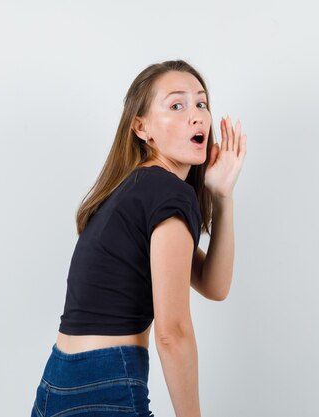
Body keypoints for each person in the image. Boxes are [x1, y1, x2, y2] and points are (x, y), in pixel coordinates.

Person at [30, 59, 247, 417]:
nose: (196, 116)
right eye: (176, 105)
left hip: (57, 382)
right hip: (105, 381)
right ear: (141, 127)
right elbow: (172, 333)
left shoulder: (134, 190)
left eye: (201, 103)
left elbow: (215, 285)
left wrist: (222, 198)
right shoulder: (167, 194)